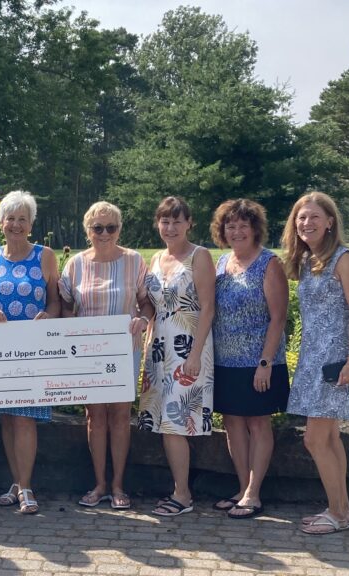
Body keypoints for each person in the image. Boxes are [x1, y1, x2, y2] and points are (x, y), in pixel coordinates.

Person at [59, 201, 153, 511]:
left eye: (111, 227)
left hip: (125, 349)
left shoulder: (134, 260)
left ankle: (118, 485)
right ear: (88, 231)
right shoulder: (75, 264)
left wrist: (143, 319)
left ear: (119, 229)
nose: (104, 233)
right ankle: (99, 483)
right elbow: (65, 308)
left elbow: (146, 302)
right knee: (94, 417)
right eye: (98, 228)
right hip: (88, 353)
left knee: (121, 417)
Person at [281, 191, 349, 535]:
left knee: (315, 440)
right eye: (301, 217)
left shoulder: (343, 258)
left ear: (330, 221)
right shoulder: (306, 261)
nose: (307, 223)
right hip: (311, 358)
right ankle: (342, 510)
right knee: (329, 438)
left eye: (315, 217)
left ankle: (337, 512)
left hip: (334, 363)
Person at [0, 190, 60, 515]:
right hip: (0, 349)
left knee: (26, 418)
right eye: (10, 218)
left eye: (22, 219)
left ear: (31, 223)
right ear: (1, 222)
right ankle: (15, 482)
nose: (16, 224)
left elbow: (54, 299)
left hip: (33, 348)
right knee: (8, 418)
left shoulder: (45, 255)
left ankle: (26, 487)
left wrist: (49, 315)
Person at [209, 199, 289, 519]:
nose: (237, 230)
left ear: (255, 228)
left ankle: (254, 494)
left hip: (259, 363)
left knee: (258, 423)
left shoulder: (270, 263)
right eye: (231, 225)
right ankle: (242, 489)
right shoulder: (222, 262)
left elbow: (279, 317)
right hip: (225, 361)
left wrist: (266, 362)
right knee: (232, 425)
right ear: (222, 230)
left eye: (244, 225)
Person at [138, 196, 215, 517]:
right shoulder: (156, 258)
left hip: (189, 346)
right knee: (163, 421)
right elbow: (151, 307)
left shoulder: (200, 256)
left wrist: (195, 355)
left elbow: (209, 307)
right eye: (165, 221)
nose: (170, 228)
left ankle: (182, 495)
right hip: (159, 348)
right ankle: (179, 490)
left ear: (189, 223)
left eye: (177, 221)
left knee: (175, 421)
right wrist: (145, 348)